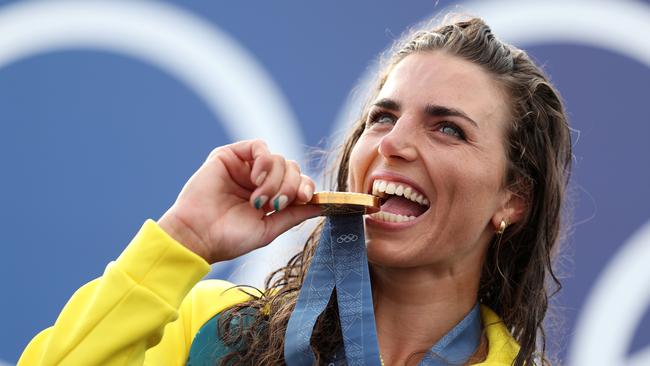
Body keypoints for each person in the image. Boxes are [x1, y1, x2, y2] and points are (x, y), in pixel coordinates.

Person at [19, 16, 571, 366]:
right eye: (382, 117)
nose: (394, 143)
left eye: (447, 128)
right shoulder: (210, 333)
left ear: (512, 199)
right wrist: (182, 238)